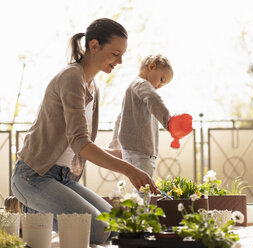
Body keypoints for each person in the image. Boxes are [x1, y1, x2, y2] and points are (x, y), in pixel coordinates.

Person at [11, 18, 159, 245]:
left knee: (115, 225)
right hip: (34, 176)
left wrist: (135, 156)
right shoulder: (72, 77)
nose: (120, 61)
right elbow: (81, 143)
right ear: (94, 46)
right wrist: (129, 170)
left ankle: (36, 209)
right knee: (98, 231)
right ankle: (31, 210)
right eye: (115, 53)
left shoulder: (93, 86)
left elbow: (83, 146)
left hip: (63, 179)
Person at [109, 54, 174, 179]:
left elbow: (120, 119)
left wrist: (115, 144)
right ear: (151, 66)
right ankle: (139, 200)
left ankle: (137, 199)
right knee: (144, 186)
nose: (160, 86)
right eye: (161, 79)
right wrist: (170, 122)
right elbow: (154, 99)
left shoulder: (134, 88)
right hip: (140, 150)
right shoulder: (142, 84)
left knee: (141, 186)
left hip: (135, 150)